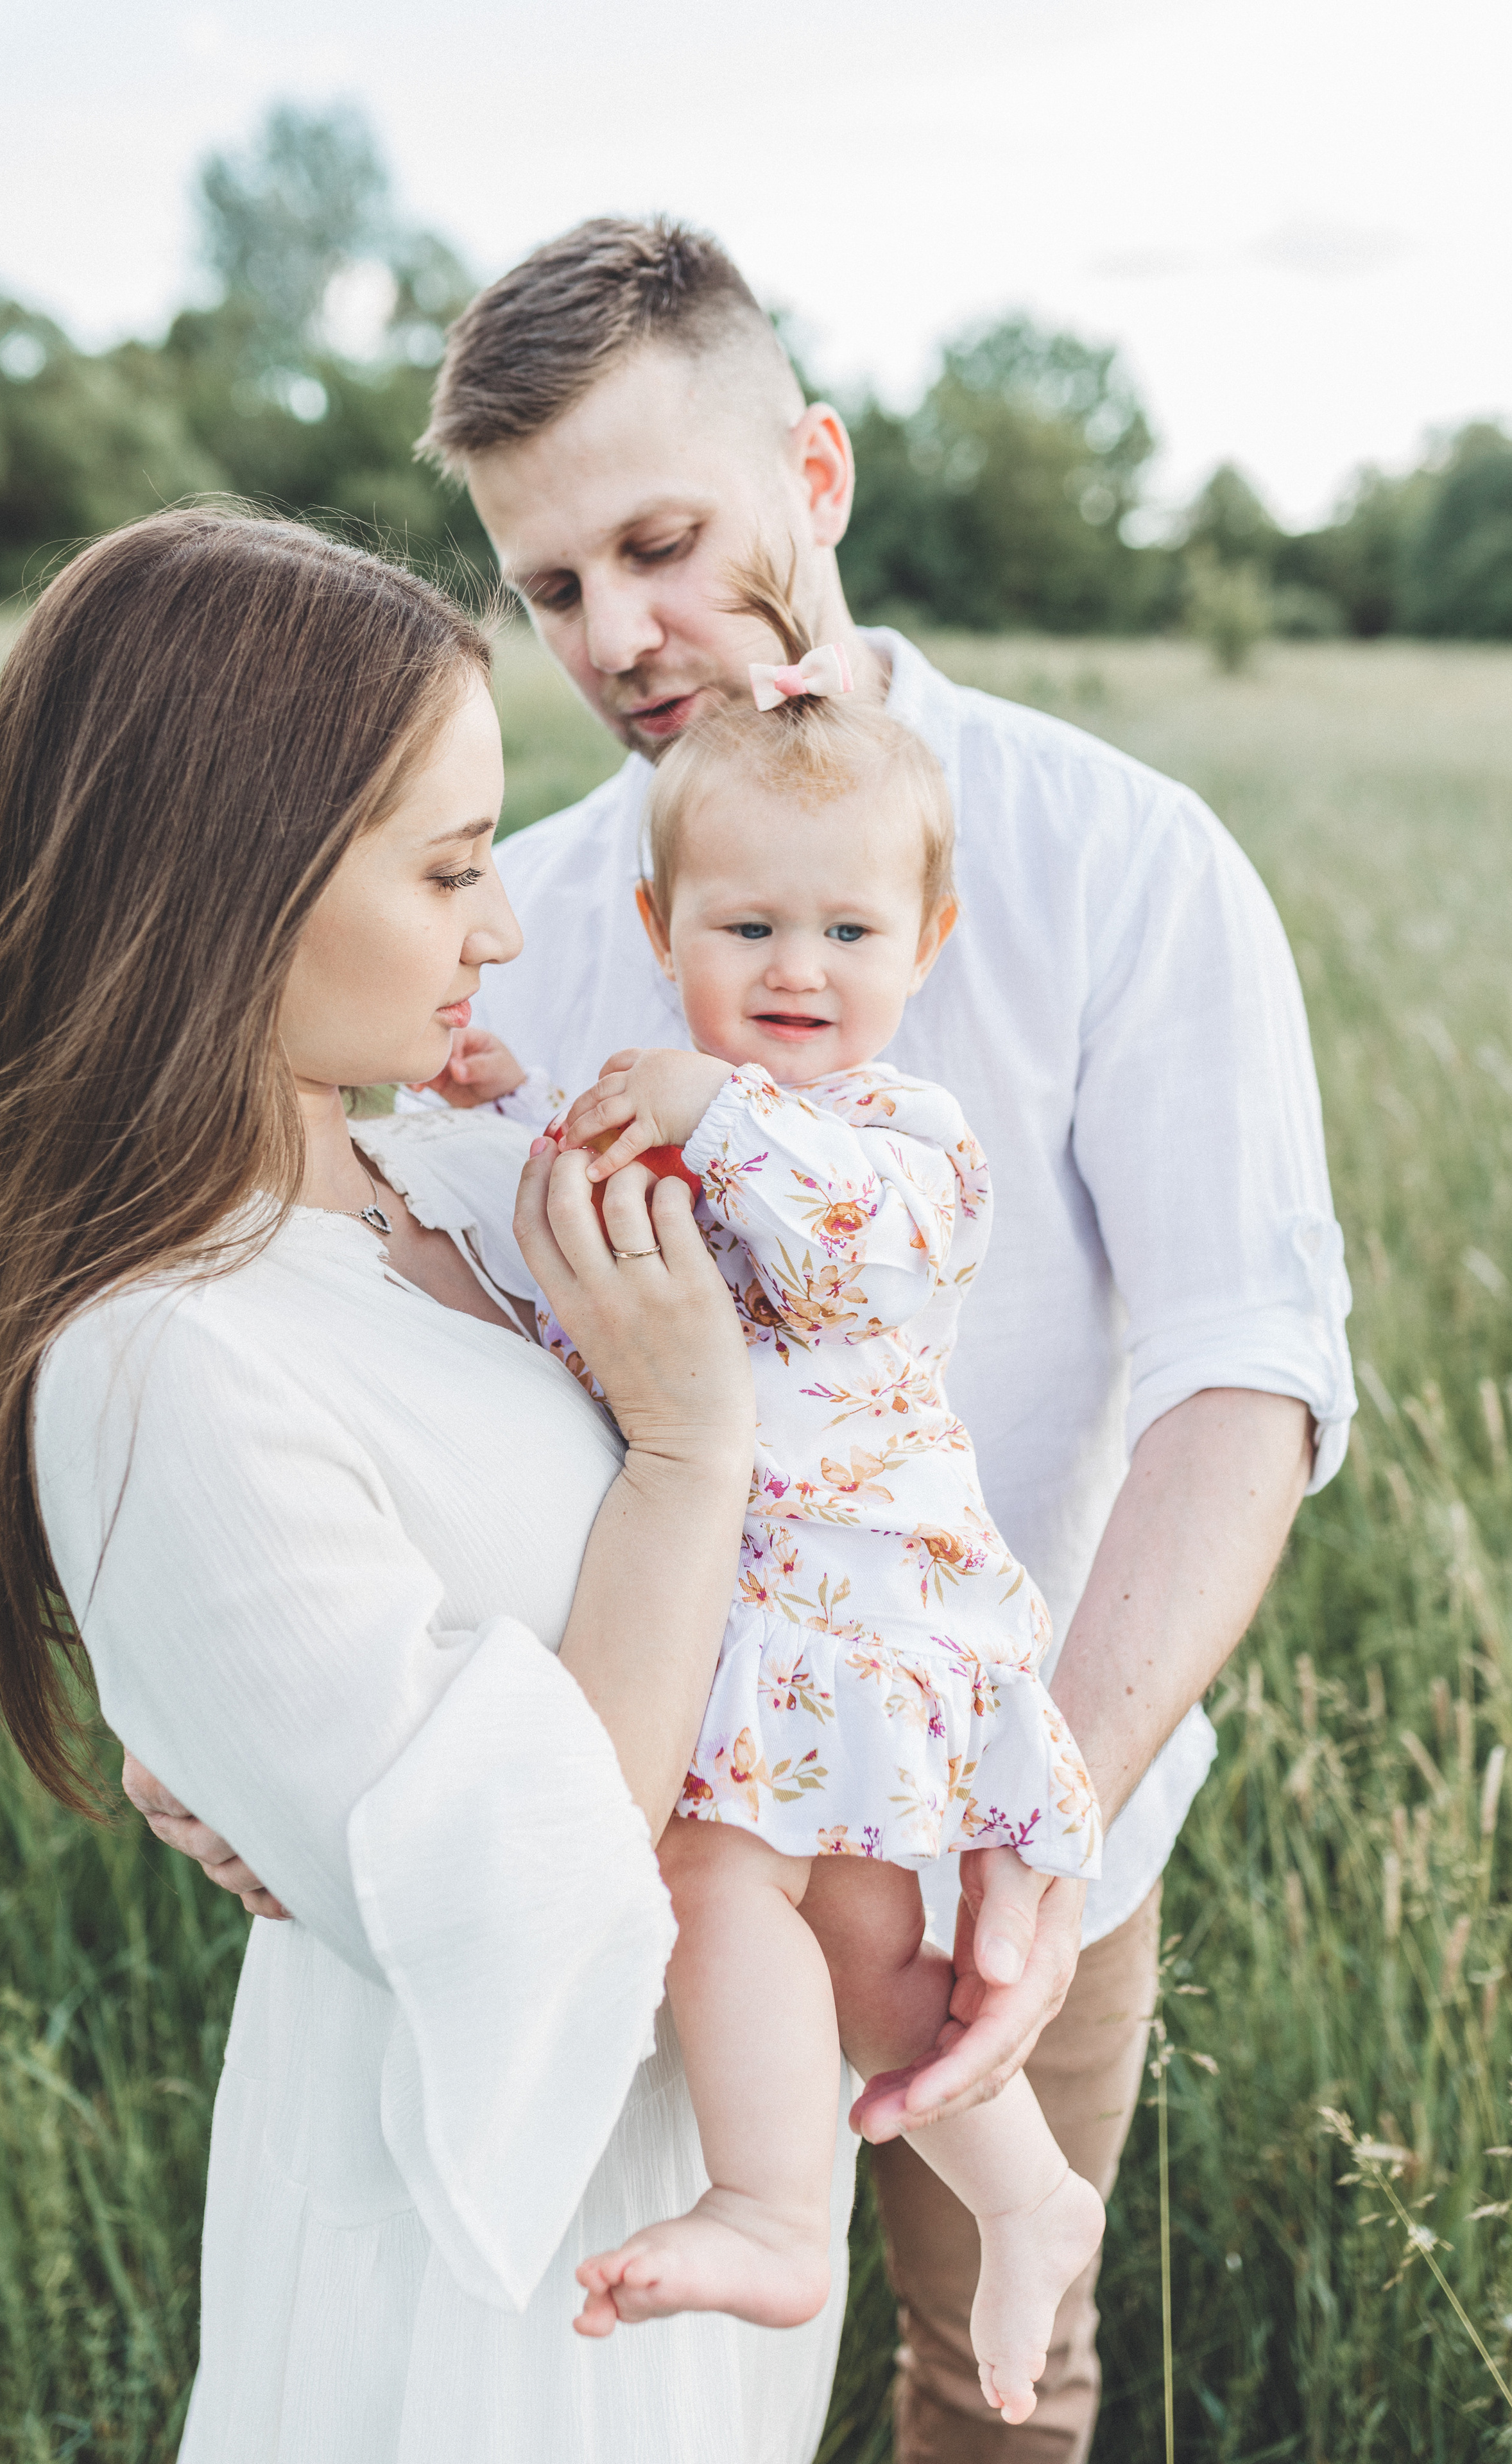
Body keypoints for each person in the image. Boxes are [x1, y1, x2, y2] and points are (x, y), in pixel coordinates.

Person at [415, 218, 1357, 2461]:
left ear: (816, 474)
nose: (613, 637)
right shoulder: (537, 908)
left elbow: (1244, 1376)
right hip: (641, 1810)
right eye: (551, 588)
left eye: (661, 545)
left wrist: (1052, 1816)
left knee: (987, 2377)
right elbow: (436, 1335)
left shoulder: (1118, 858)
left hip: (1010, 1803)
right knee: (610, 2391)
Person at [0, 506, 859, 2464]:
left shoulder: (457, 1182)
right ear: (226, 885)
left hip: (683, 2188)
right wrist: (687, 1451)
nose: (503, 928)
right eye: (449, 870)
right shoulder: (162, 1360)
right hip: (483, 2288)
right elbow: (532, 1899)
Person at [454, 561, 1109, 2422]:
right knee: (857, 1948)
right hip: (746, 1617)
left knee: (721, 1877)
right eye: (746, 927)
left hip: (858, 1604)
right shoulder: (677, 1111)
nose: (797, 970)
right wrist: (503, 1115)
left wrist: (707, 1109)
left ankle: (776, 2207)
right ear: (660, 927)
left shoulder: (906, 1141)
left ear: (929, 939)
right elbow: (566, 1272)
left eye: (847, 930)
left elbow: (846, 1243)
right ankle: (1028, 2194)